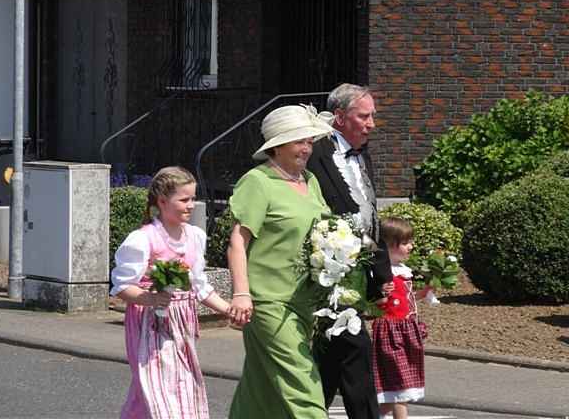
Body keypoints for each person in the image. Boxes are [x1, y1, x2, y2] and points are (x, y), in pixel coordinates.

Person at [226, 104, 335, 419]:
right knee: (302, 382)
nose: (306, 148)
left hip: (303, 300)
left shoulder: (310, 181)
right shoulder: (257, 181)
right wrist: (241, 293)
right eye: (299, 141)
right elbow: (238, 240)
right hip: (269, 301)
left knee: (261, 390)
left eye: (310, 141)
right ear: (276, 146)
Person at [110, 166, 231, 419]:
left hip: (181, 324)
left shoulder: (195, 236)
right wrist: (152, 298)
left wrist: (229, 309)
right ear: (163, 201)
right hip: (150, 324)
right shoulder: (144, 239)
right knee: (158, 386)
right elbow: (122, 286)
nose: (191, 205)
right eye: (184, 199)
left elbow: (199, 286)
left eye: (193, 198)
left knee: (180, 384)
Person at [307, 83, 393, 419]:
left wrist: (382, 274)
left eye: (372, 115)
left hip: (358, 277)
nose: (371, 122)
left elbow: (371, 217)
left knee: (332, 364)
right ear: (340, 117)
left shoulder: (362, 155)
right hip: (328, 277)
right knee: (355, 355)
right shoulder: (314, 154)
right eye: (364, 115)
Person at [371, 217, 427, 419]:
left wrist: (427, 290)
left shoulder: (404, 273)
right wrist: (381, 292)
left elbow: (409, 299)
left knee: (392, 390)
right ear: (387, 246)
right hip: (390, 333)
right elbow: (376, 304)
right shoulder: (382, 275)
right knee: (399, 384)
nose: (410, 247)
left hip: (405, 331)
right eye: (405, 243)